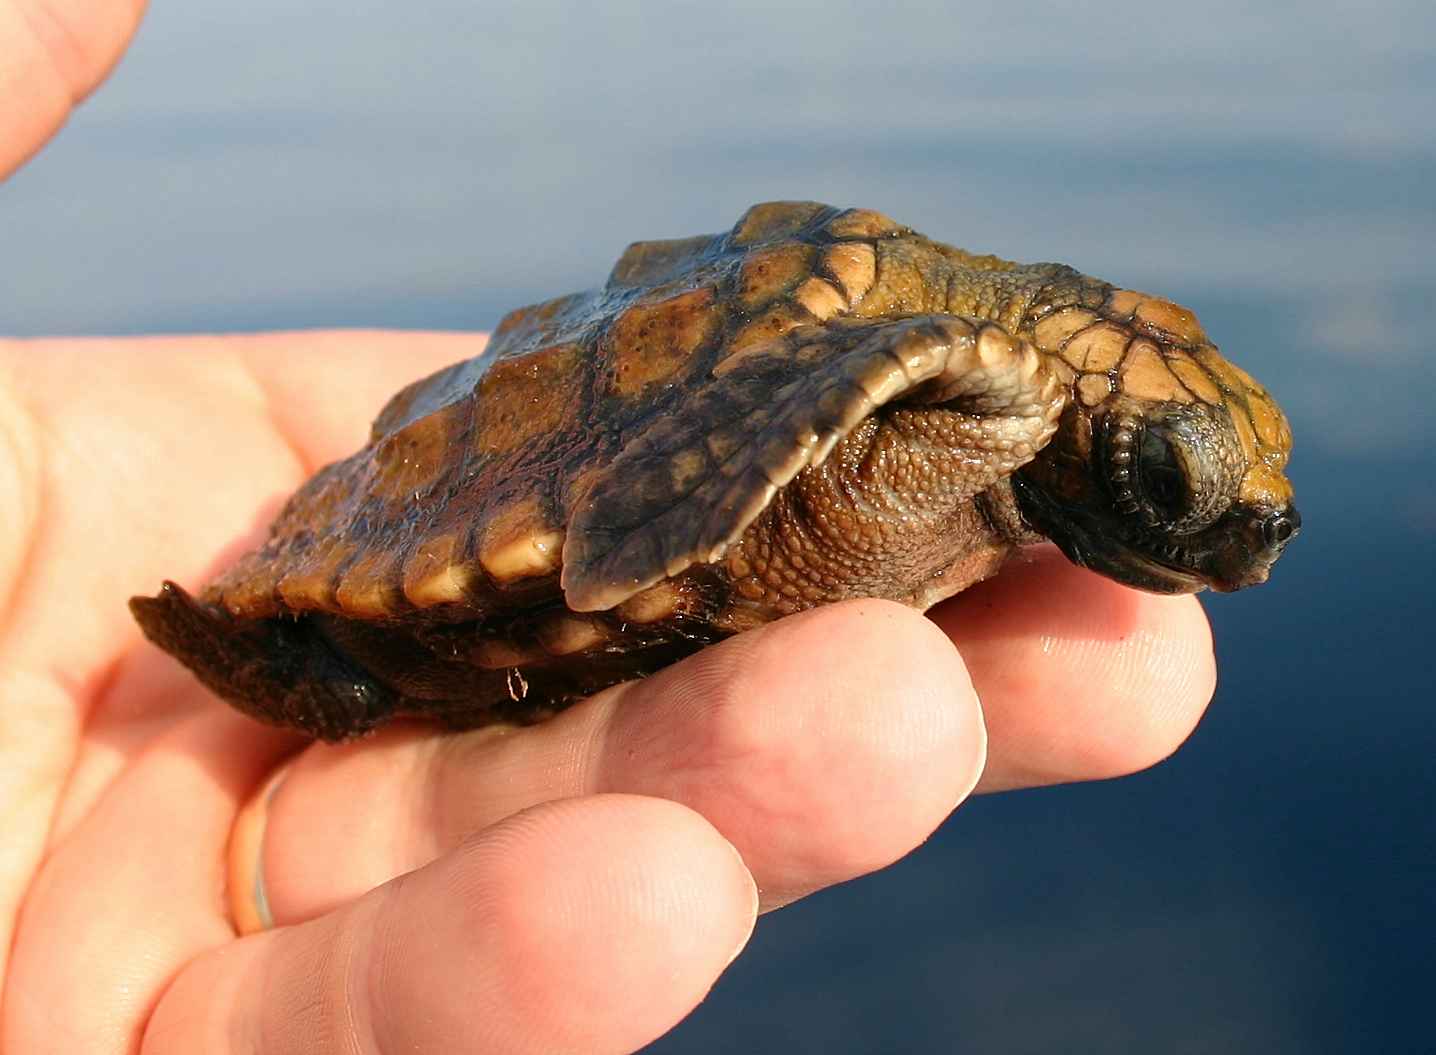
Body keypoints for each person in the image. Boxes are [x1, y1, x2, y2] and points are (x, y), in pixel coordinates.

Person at [0, 6, 1216, 1051]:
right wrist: (642, 518)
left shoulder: (1009, 435)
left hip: (633, 576)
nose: (1235, 547)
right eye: (1166, 484)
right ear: (1079, 406)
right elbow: (812, 384)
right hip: (526, 527)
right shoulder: (964, 361)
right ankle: (247, 643)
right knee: (347, 684)